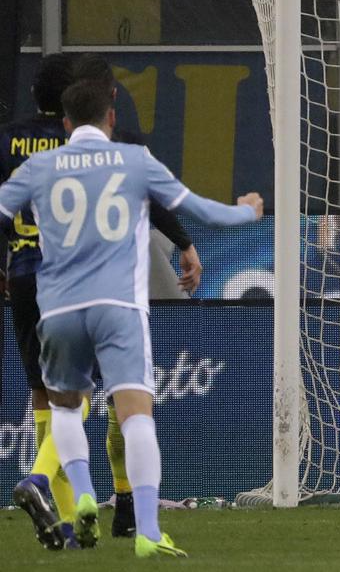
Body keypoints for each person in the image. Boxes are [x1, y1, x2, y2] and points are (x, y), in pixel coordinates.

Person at [0, 78, 262, 557]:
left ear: (65, 123)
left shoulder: (39, 166)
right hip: (118, 306)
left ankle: (80, 496)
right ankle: (145, 530)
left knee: (64, 409)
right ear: (112, 117)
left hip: (56, 307)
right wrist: (246, 210)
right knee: (136, 415)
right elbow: (203, 212)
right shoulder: (134, 161)